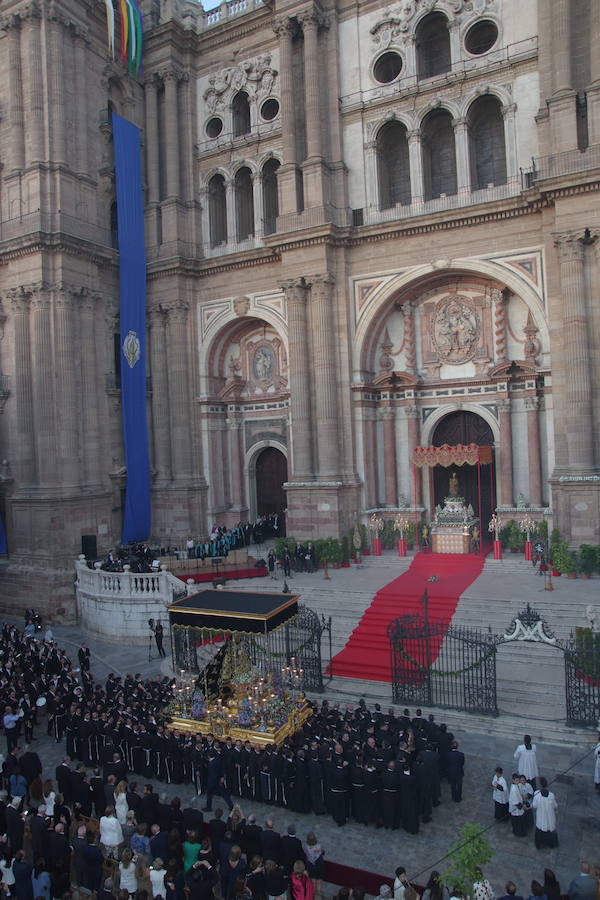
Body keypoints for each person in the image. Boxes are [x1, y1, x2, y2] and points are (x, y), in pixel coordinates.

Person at [532, 777, 558, 849]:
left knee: (540, 829)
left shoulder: (536, 795)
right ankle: (551, 844)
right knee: (549, 829)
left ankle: (539, 844)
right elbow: (555, 806)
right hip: (550, 816)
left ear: (540, 785)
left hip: (541, 816)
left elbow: (534, 805)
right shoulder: (551, 795)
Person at [302, 833, 324, 898]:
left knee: (313, 882)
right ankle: (319, 897)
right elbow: (322, 852)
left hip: (311, 865)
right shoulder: (319, 846)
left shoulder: (305, 847)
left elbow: (305, 853)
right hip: (319, 865)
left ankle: (312, 896)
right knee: (319, 883)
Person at [509, 772, 526, 837]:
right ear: (513, 780)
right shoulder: (514, 790)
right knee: (518, 821)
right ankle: (518, 832)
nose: (518, 781)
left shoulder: (516, 786)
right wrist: (522, 807)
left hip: (519, 805)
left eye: (518, 780)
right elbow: (516, 802)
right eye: (516, 780)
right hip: (516, 808)